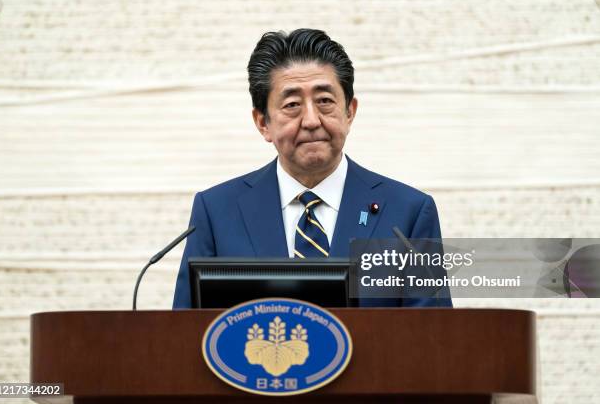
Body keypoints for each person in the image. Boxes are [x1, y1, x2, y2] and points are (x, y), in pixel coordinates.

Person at [173, 28, 452, 308]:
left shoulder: (408, 214)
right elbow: (184, 336)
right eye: (292, 104)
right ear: (263, 123)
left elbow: (433, 339)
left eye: (325, 101)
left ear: (350, 112)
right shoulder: (217, 212)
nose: (311, 120)